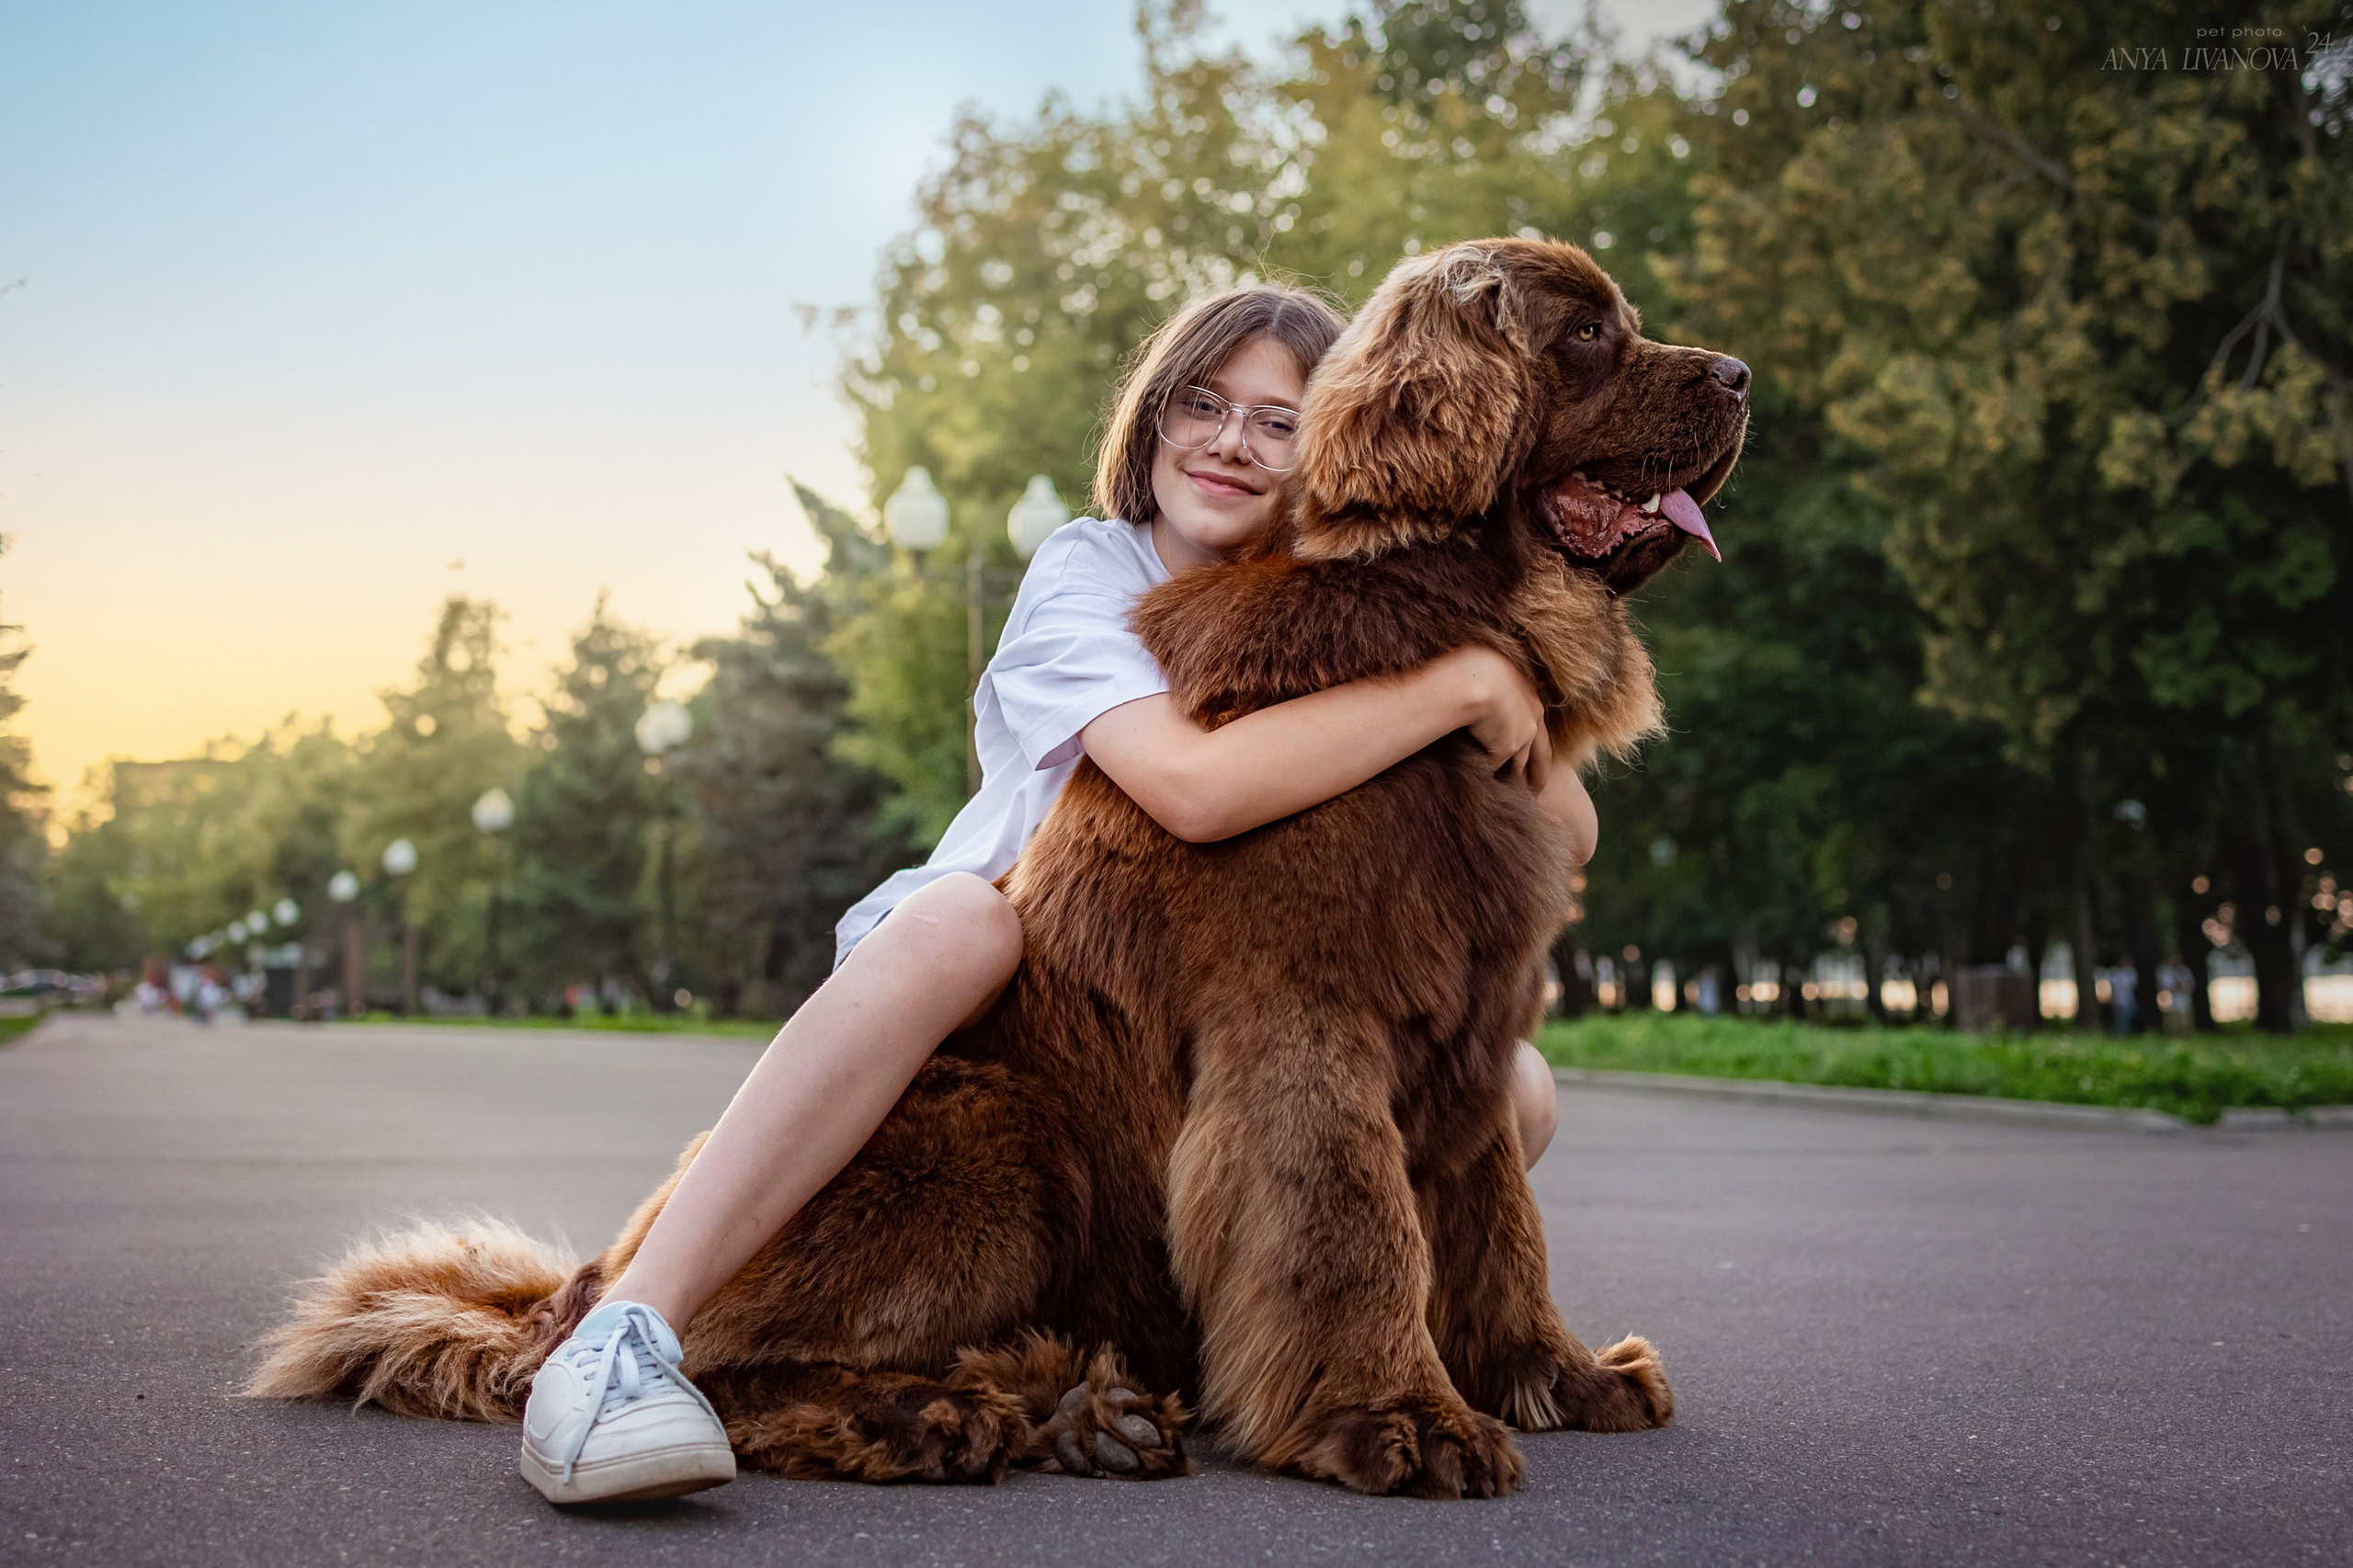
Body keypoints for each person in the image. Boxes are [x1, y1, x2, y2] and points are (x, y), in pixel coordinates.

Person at [518, 284, 1601, 1505]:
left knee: (1520, 1092)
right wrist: (1460, 683)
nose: (1233, 442)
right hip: (1021, 1005)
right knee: (958, 925)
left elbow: (1570, 828)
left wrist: (1509, 687)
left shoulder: (1337, 589)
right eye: (1203, 402)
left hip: (1192, 1036)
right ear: (1151, 423)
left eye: (1278, 420)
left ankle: (1236, 1355)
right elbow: (1191, 789)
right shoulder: (1091, 569)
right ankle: (632, 1323)